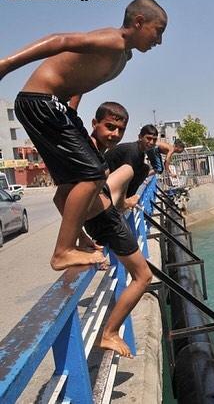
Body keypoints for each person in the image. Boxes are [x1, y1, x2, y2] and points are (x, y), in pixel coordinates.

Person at [0, 0, 167, 270]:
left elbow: (81, 80)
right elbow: (60, 41)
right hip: (41, 101)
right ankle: (62, 251)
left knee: (79, 180)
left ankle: (78, 240)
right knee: (92, 174)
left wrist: (72, 117)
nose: (159, 40)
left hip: (54, 107)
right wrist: (7, 64)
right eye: (158, 31)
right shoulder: (113, 41)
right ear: (139, 22)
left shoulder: (122, 55)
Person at [84, 101, 153, 358]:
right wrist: (78, 240)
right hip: (106, 221)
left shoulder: (96, 150)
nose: (114, 134)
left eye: (119, 129)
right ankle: (109, 332)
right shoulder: (86, 154)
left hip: (104, 209)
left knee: (126, 170)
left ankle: (123, 202)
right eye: (109, 127)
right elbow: (62, 198)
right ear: (94, 123)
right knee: (143, 277)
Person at [105, 124, 158, 211]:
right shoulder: (133, 151)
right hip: (105, 183)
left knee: (145, 169)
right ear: (140, 137)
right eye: (148, 138)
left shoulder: (140, 153)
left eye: (154, 140)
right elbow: (126, 178)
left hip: (113, 183)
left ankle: (127, 200)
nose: (151, 142)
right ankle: (123, 204)